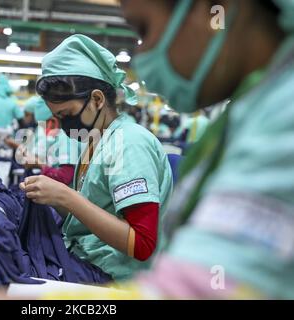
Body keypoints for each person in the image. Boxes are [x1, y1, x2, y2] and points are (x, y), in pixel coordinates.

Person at [70, 0, 293, 299]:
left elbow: (207, 289)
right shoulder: (254, 108)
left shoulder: (283, 111)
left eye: (144, 29)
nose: (142, 56)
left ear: (216, 10)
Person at [20, 34, 173, 281]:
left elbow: (142, 244)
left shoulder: (129, 144)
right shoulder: (96, 141)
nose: (62, 123)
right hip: (87, 260)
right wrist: (52, 197)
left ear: (97, 99)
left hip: (116, 278)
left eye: (67, 113)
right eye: (56, 116)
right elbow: (93, 215)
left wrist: (66, 197)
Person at [18, 96, 82, 186]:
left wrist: (39, 164)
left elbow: (64, 177)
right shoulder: (59, 137)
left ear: (53, 122)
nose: (42, 131)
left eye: (43, 126)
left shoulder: (66, 139)